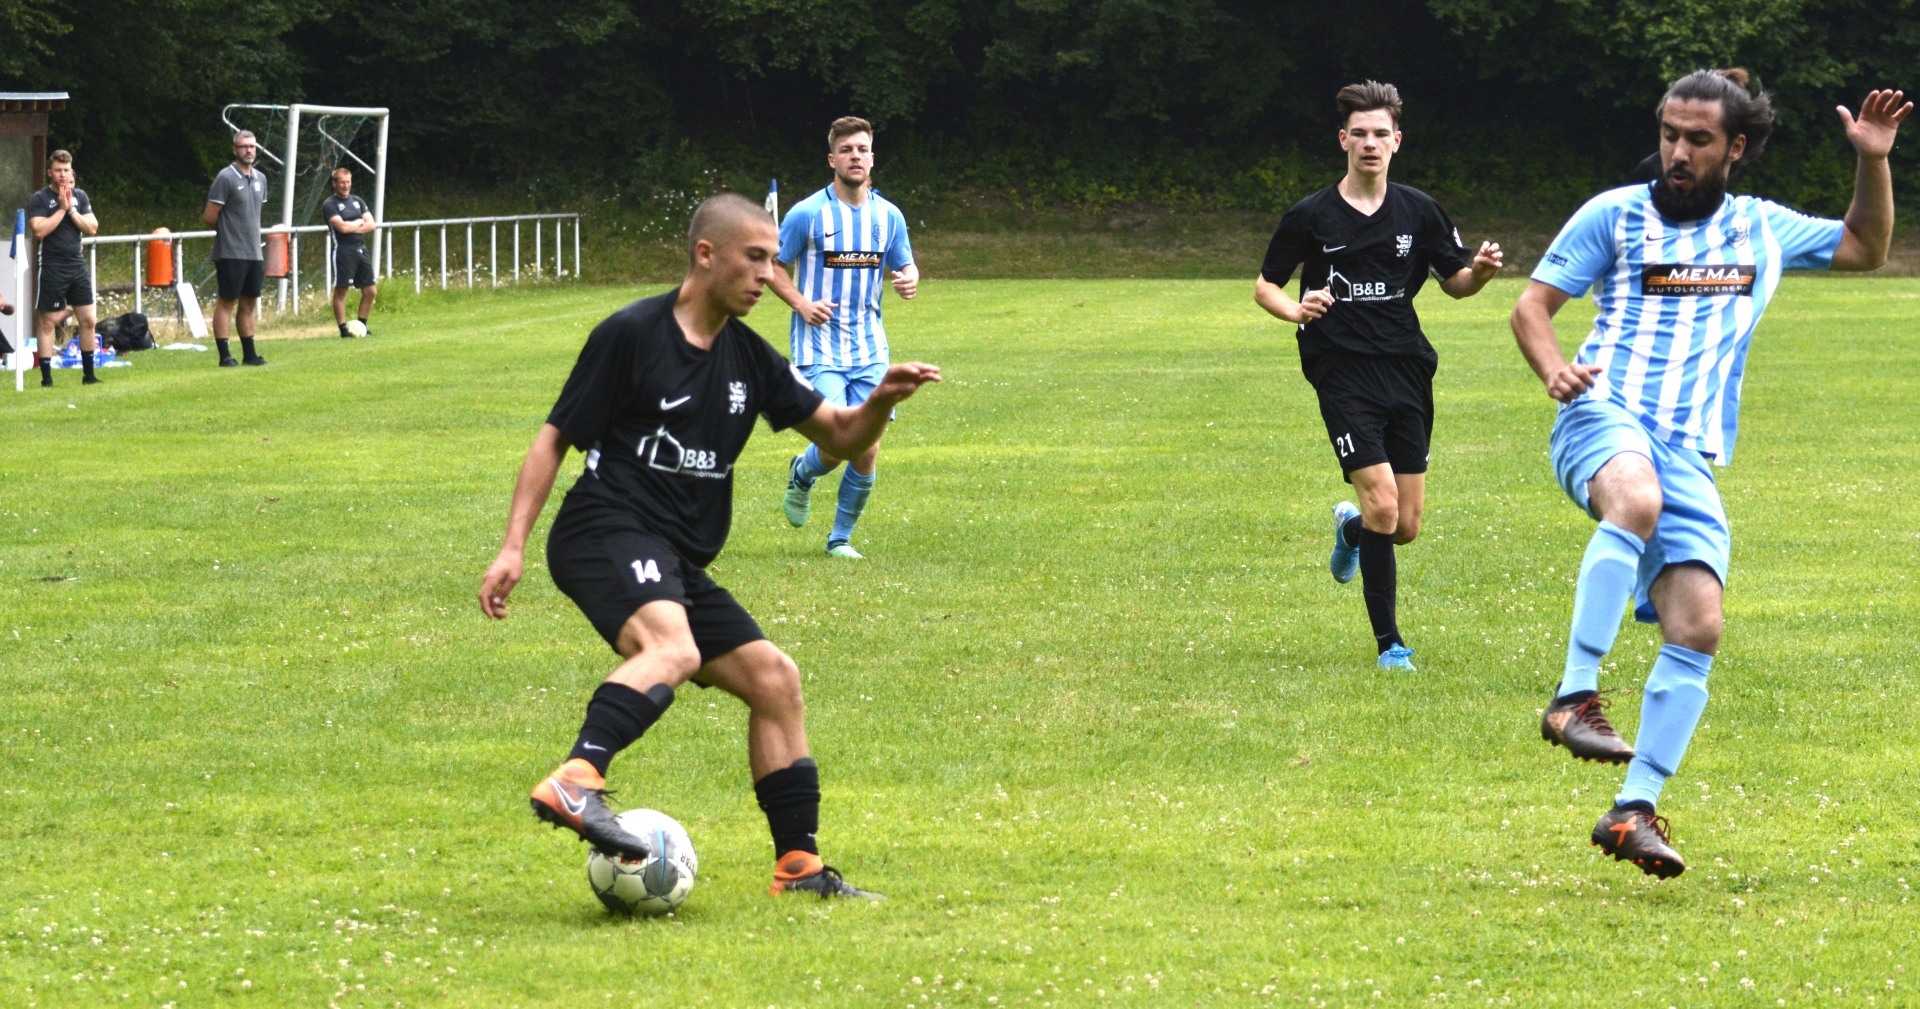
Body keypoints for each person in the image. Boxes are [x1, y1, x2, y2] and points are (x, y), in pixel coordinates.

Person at [477, 193, 940, 899]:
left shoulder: (751, 358)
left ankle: (799, 868)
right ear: (705, 254)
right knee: (674, 648)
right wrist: (513, 546)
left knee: (774, 679)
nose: (768, 275)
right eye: (754, 258)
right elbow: (554, 439)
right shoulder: (631, 334)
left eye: (773, 261)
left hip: (675, 555)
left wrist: (879, 400)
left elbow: (841, 435)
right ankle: (576, 779)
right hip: (603, 529)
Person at [1512, 71, 1907, 878]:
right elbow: (1531, 308)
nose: (1677, 152)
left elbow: (1865, 249)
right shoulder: (1614, 214)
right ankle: (1574, 694)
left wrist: (1872, 159)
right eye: (1669, 134)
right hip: (1602, 411)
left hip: (1688, 449)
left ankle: (1632, 809)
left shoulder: (1763, 228)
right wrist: (1555, 369)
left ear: (1736, 147)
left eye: (1697, 139)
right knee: (1634, 498)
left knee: (1698, 625)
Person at [1254, 81, 1504, 670]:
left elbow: (1455, 283)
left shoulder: (1419, 211)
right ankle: (1390, 645)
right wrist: (1296, 310)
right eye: (1360, 133)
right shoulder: (1311, 215)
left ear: (1397, 141)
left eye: (1380, 134)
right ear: (1343, 139)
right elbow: (1266, 285)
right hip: (1339, 369)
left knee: (1404, 526)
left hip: (1406, 367)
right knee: (1384, 508)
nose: (1370, 143)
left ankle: (1351, 531)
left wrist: (1480, 273)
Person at [770, 116, 919, 559]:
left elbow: (905, 263)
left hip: (870, 349)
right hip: (818, 348)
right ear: (832, 159)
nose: (856, 156)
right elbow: (772, 265)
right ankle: (803, 473)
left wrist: (909, 278)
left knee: (866, 448)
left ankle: (839, 539)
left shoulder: (889, 216)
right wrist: (801, 303)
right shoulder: (807, 213)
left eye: (863, 149)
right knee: (837, 442)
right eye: (847, 150)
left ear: (872, 158)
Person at [27, 150, 99, 387]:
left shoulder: (80, 196)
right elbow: (39, 231)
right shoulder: (40, 199)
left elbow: (92, 228)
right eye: (58, 170)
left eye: (66, 170)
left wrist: (71, 210)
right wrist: (60, 208)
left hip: (77, 265)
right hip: (51, 266)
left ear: (72, 172)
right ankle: (47, 379)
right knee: (47, 323)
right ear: (50, 172)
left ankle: (89, 375)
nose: (62, 175)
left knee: (88, 319)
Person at [202, 130, 269, 367]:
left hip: (254, 252)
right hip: (230, 252)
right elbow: (210, 216)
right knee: (227, 301)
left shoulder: (261, 178)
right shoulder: (226, 177)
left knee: (249, 303)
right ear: (235, 150)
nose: (249, 150)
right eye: (244, 146)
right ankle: (225, 356)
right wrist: (231, 232)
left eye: (252, 146)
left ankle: (250, 354)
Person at [321, 167, 378, 338]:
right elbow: (342, 228)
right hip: (343, 251)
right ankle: (343, 330)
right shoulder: (330, 204)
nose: (346, 186)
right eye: (342, 182)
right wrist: (359, 222)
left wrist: (353, 225)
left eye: (348, 182)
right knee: (342, 291)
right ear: (334, 184)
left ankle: (362, 326)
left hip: (361, 249)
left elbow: (372, 224)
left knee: (370, 291)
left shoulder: (357, 201)